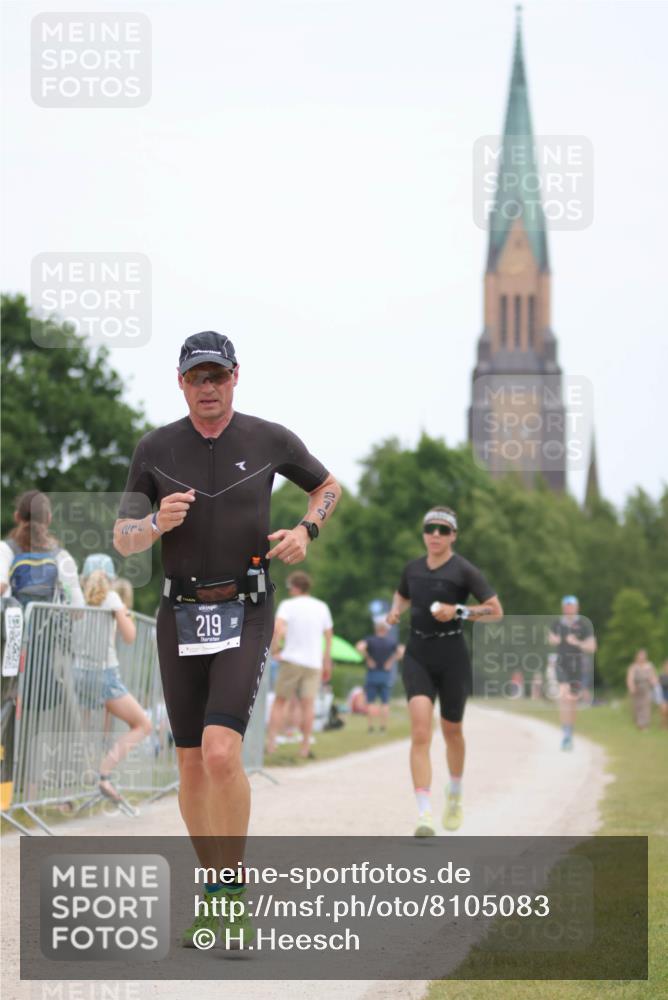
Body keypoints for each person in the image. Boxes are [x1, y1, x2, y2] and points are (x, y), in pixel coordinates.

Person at [113, 330, 340, 947]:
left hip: (247, 608)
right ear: (180, 382)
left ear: (236, 376)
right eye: (196, 377)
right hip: (179, 613)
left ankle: (233, 897)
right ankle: (214, 893)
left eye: (217, 375)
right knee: (189, 763)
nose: (207, 387)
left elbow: (328, 486)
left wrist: (306, 530)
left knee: (220, 752)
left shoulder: (269, 439)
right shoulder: (155, 448)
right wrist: (154, 523)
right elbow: (122, 537)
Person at [387, 506, 502, 837]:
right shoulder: (412, 569)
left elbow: (496, 611)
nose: (435, 535)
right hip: (418, 653)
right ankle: (424, 815)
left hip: (452, 656)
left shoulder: (464, 570)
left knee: (452, 731)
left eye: (442, 530)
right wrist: (396, 611)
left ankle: (455, 792)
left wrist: (460, 610)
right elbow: (402, 594)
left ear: (453, 535)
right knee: (421, 731)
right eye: (429, 529)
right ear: (423, 533)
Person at [74, 554, 152, 802]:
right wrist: (124, 615)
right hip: (104, 674)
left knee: (87, 730)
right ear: (110, 579)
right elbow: (129, 636)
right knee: (143, 725)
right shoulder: (112, 598)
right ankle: (103, 775)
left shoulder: (76, 600)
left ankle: (79, 783)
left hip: (79, 672)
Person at [266, 571, 333, 759]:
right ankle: (304, 748)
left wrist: (275, 649)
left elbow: (277, 628)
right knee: (308, 705)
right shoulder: (322, 607)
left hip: (292, 660)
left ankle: (271, 744)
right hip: (313, 662)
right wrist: (326, 661)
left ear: (295, 587)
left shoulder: (288, 605)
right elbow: (328, 636)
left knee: (280, 702)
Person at [0, 490, 84, 608]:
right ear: (49, 519)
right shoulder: (61, 555)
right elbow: (78, 606)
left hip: (11, 625)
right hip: (49, 626)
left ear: (16, 516)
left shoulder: (5, 549)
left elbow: (1, 587)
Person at [548, 596, 597, 751]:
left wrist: (578, 643)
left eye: (572, 606)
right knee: (563, 698)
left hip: (577, 666)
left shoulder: (584, 624)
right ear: (563, 608)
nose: (569, 608)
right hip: (561, 664)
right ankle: (566, 735)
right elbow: (551, 639)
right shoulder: (557, 623)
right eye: (566, 606)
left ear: (577, 607)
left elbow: (592, 647)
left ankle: (570, 731)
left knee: (572, 701)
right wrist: (553, 639)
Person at [355, 618, 404, 733]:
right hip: (385, 675)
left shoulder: (370, 640)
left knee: (370, 702)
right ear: (386, 630)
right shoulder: (391, 642)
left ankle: (371, 728)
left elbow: (359, 647)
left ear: (376, 629)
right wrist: (391, 661)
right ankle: (383, 728)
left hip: (372, 674)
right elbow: (402, 651)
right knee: (385, 702)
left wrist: (368, 658)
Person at [626, 649, 659, 731]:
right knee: (638, 706)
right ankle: (639, 723)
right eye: (640, 656)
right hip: (637, 688)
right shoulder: (633, 666)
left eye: (643, 656)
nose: (642, 658)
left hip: (647, 687)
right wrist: (631, 687)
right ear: (637, 657)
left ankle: (644, 725)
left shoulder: (649, 665)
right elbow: (630, 678)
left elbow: (653, 676)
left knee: (646, 706)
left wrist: (654, 682)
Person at [659, 661, 668, 730]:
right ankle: (664, 725)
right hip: (664, 695)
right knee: (664, 711)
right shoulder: (662, 676)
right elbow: (657, 685)